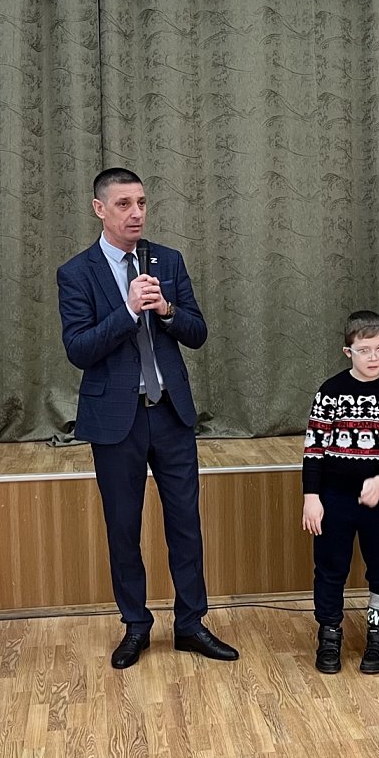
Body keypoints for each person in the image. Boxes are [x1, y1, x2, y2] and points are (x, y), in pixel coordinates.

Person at [57, 168, 237, 669]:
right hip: (117, 420)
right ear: (99, 209)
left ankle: (191, 623)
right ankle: (135, 625)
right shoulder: (76, 273)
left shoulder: (168, 261)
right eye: (123, 204)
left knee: (186, 523)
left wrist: (168, 311)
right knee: (123, 526)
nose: (136, 213)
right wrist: (128, 310)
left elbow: (197, 332)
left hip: (171, 414)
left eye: (141, 203)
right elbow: (78, 349)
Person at [301, 311, 379, 675]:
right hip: (334, 497)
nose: (374, 357)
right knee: (330, 567)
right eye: (364, 350)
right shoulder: (330, 391)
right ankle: (329, 635)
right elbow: (314, 447)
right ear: (348, 352)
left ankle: (378, 638)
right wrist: (311, 496)